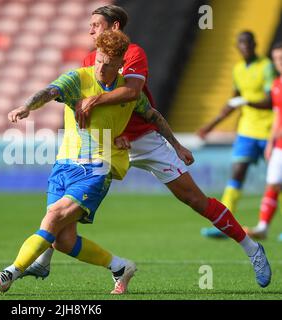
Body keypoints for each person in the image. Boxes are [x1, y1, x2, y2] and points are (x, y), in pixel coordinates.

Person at [20, 7, 272, 289]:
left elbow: (132, 92)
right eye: (89, 25)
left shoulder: (134, 53)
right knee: (67, 199)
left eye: (96, 25)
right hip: (107, 142)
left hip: (143, 138)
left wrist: (175, 145)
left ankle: (252, 249)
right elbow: (81, 104)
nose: (90, 30)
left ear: (114, 26)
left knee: (195, 200)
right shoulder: (90, 59)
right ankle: (43, 261)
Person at [0, 31, 141, 295]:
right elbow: (50, 91)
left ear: (120, 64)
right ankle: (120, 267)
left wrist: (173, 144)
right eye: (99, 59)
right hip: (63, 166)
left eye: (109, 62)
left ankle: (11, 272)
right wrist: (27, 107)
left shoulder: (127, 91)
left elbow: (151, 116)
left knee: (53, 216)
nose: (101, 66)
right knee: (64, 241)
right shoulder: (78, 78)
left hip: (96, 169)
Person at [197, 31, 276, 238]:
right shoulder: (238, 70)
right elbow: (232, 102)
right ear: (237, 47)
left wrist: (247, 102)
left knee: (277, 178)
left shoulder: (266, 66)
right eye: (241, 44)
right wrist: (210, 125)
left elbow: (271, 101)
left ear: (255, 44)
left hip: (270, 129)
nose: (245, 47)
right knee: (237, 172)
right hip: (247, 130)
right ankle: (223, 224)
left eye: (248, 43)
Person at [246, 42, 282, 240]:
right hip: (279, 145)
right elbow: (278, 115)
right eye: (276, 59)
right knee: (273, 184)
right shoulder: (276, 85)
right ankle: (263, 227)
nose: (279, 62)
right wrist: (270, 143)